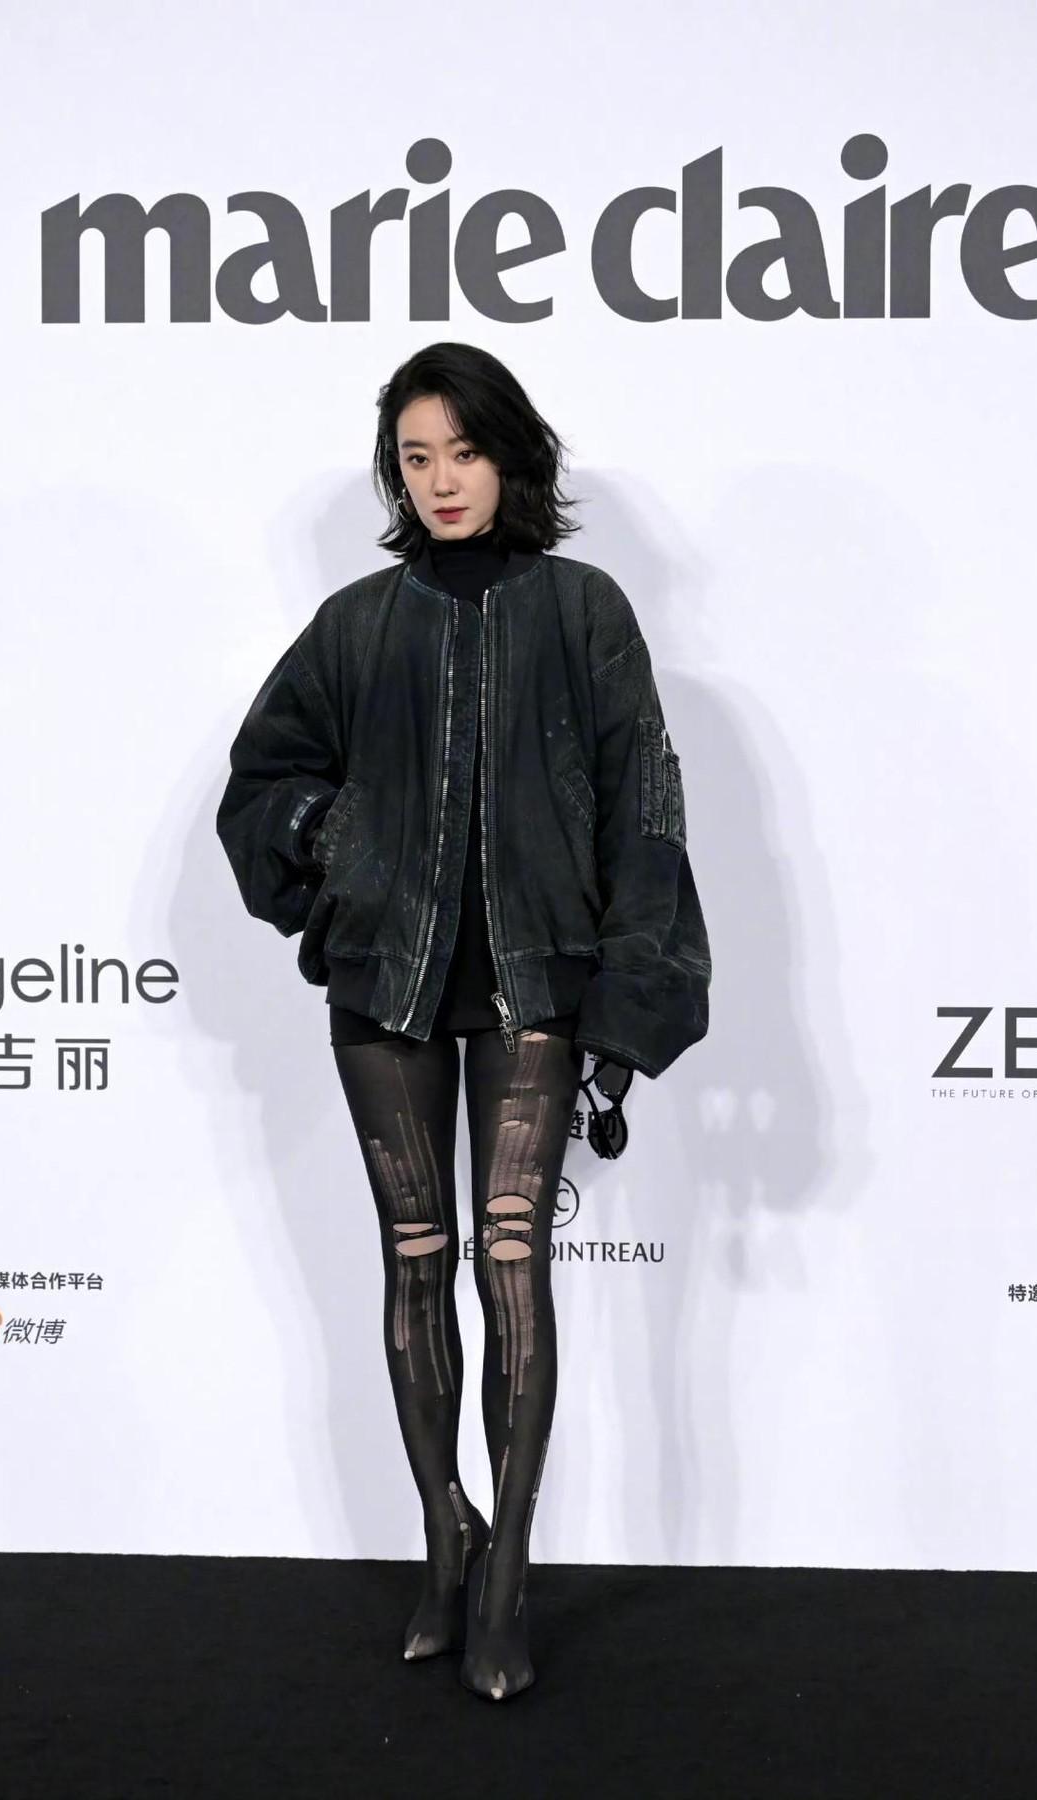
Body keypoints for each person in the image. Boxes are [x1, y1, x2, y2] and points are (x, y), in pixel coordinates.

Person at [215, 342, 711, 1701]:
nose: (441, 481)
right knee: (413, 1263)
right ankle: (446, 1538)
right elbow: (265, 780)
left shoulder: (584, 610)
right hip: (387, 985)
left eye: (465, 452)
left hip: (535, 988)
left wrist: (634, 995)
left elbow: (646, 803)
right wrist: (335, 846)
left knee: (513, 1269)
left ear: (514, 457)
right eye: (416, 457)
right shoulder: (356, 624)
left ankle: (505, 1585)